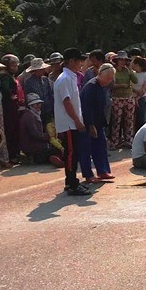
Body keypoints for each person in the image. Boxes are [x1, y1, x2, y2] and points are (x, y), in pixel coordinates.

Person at [54, 48, 92, 196]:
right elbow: (67, 102)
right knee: (71, 154)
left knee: (74, 153)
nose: (81, 64)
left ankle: (71, 181)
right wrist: (77, 120)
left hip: (72, 122)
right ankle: (71, 184)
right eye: (79, 61)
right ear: (71, 61)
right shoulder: (64, 79)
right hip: (69, 123)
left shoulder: (71, 77)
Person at [79, 63, 115, 182]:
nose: (109, 81)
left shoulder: (101, 86)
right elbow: (86, 108)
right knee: (86, 148)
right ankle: (88, 174)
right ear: (100, 74)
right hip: (88, 122)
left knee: (100, 146)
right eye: (108, 78)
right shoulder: (91, 86)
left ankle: (102, 171)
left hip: (98, 121)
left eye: (111, 79)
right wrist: (91, 125)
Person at [19, 93, 63, 167]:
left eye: (39, 104)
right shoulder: (29, 117)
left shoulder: (33, 115)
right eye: (36, 104)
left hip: (35, 146)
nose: (39, 106)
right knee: (57, 149)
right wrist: (49, 136)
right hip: (33, 149)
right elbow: (35, 134)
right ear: (31, 105)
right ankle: (58, 159)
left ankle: (56, 159)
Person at [23, 58, 54, 125]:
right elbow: (28, 97)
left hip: (48, 110)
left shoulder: (46, 80)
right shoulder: (29, 81)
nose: (43, 71)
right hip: (36, 112)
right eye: (40, 69)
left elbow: (50, 94)